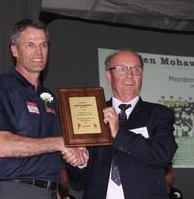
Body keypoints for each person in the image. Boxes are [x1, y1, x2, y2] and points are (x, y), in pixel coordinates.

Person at [0, 18, 88, 199]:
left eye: (43, 45)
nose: (39, 52)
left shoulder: (49, 97)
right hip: (15, 190)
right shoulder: (1, 87)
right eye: (30, 44)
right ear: (14, 50)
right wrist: (60, 143)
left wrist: (77, 155)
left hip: (50, 191)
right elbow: (3, 145)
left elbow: (56, 146)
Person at [66, 49, 178, 199]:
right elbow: (77, 176)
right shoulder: (92, 113)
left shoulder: (159, 114)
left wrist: (119, 133)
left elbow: (162, 154)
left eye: (136, 70)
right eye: (121, 69)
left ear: (142, 76)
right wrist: (80, 161)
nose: (129, 75)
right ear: (108, 76)